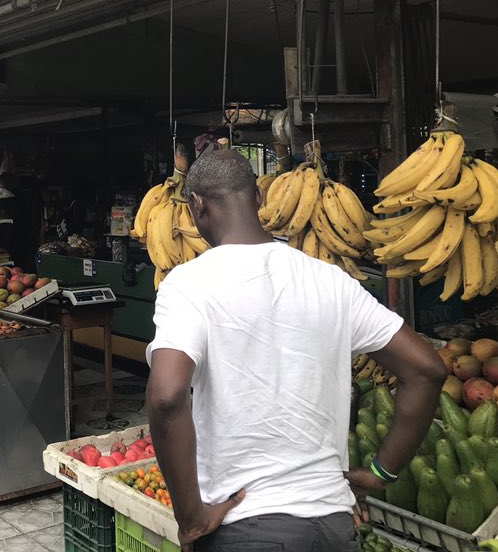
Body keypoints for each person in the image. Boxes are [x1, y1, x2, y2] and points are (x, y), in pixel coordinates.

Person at [145, 150, 447, 552]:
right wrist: (381, 473)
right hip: (335, 528)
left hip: (245, 529)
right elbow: (427, 369)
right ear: (258, 197)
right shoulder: (330, 281)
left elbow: (166, 397)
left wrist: (191, 519)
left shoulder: (188, 284)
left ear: (197, 205)